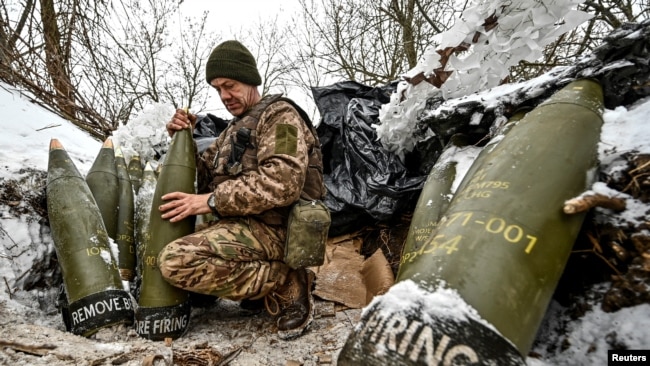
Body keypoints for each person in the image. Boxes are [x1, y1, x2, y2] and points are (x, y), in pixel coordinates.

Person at [157, 40, 326, 340]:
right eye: (217, 88)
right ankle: (257, 284)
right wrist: (183, 141)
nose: (224, 95)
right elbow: (203, 180)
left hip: (279, 229)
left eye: (230, 85)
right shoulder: (231, 132)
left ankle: (284, 279)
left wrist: (210, 201)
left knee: (175, 261)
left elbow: (283, 181)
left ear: (250, 79)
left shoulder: (280, 116)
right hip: (245, 226)